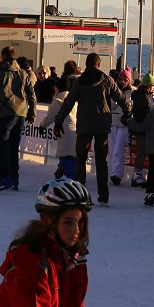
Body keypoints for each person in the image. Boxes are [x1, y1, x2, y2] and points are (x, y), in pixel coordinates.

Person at [0, 177, 97, 307]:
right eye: (68, 222)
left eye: (80, 222)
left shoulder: (74, 260)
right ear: (47, 220)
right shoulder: (30, 265)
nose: (76, 230)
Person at [53, 53, 130, 207]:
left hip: (84, 125)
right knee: (101, 161)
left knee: (80, 160)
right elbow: (121, 97)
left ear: (87, 64)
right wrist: (128, 112)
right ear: (99, 65)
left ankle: (81, 194)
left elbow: (68, 103)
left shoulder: (80, 81)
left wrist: (58, 121)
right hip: (102, 125)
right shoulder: (107, 80)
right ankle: (104, 195)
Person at [0, 47, 36, 194]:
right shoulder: (23, 73)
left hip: (5, 113)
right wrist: (32, 113)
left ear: (2, 56)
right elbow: (31, 95)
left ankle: (4, 177)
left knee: (1, 146)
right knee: (13, 147)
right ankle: (14, 177)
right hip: (21, 113)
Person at [125, 72, 154, 188]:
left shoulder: (139, 95)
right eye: (153, 86)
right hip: (142, 128)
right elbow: (148, 111)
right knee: (142, 152)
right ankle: (137, 176)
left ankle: (138, 175)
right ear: (148, 86)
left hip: (139, 127)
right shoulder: (143, 97)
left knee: (141, 152)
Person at [106, 68, 134, 187]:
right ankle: (113, 172)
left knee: (118, 149)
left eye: (125, 79)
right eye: (121, 79)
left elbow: (131, 108)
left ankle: (117, 174)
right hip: (112, 122)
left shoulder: (131, 93)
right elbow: (110, 105)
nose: (122, 81)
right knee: (112, 150)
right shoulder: (113, 91)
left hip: (123, 124)